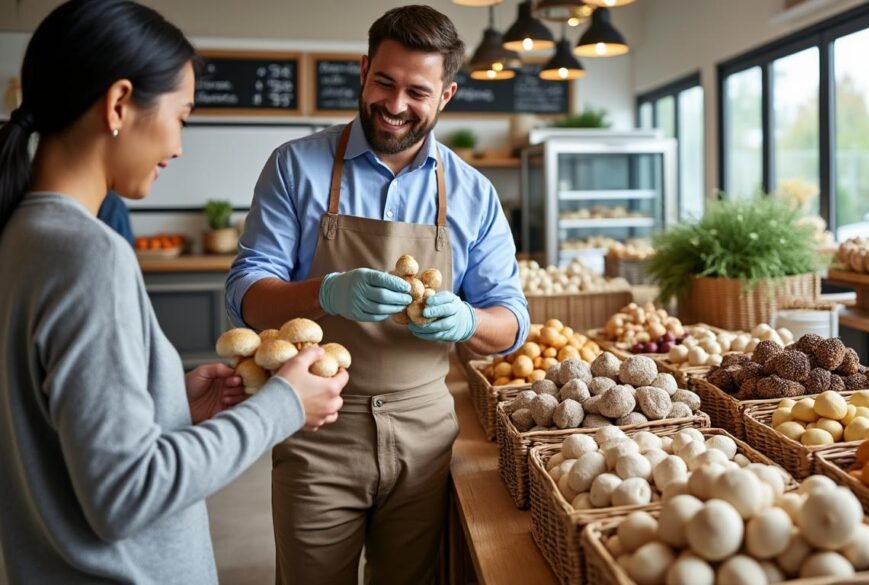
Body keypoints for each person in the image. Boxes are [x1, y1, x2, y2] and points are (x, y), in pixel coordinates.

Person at [0, 1, 347, 583]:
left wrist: (169, 405)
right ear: (118, 105)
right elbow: (126, 495)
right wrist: (281, 407)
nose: (180, 145)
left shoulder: (21, 235)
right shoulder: (89, 254)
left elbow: (58, 439)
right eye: (182, 117)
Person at [225, 5, 528, 583]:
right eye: (384, 82)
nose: (394, 105)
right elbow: (244, 294)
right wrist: (327, 292)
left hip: (427, 437)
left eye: (417, 91)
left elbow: (512, 322)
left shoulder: (473, 193)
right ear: (363, 71)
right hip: (314, 425)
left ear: (446, 96)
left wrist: (467, 321)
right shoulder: (295, 167)